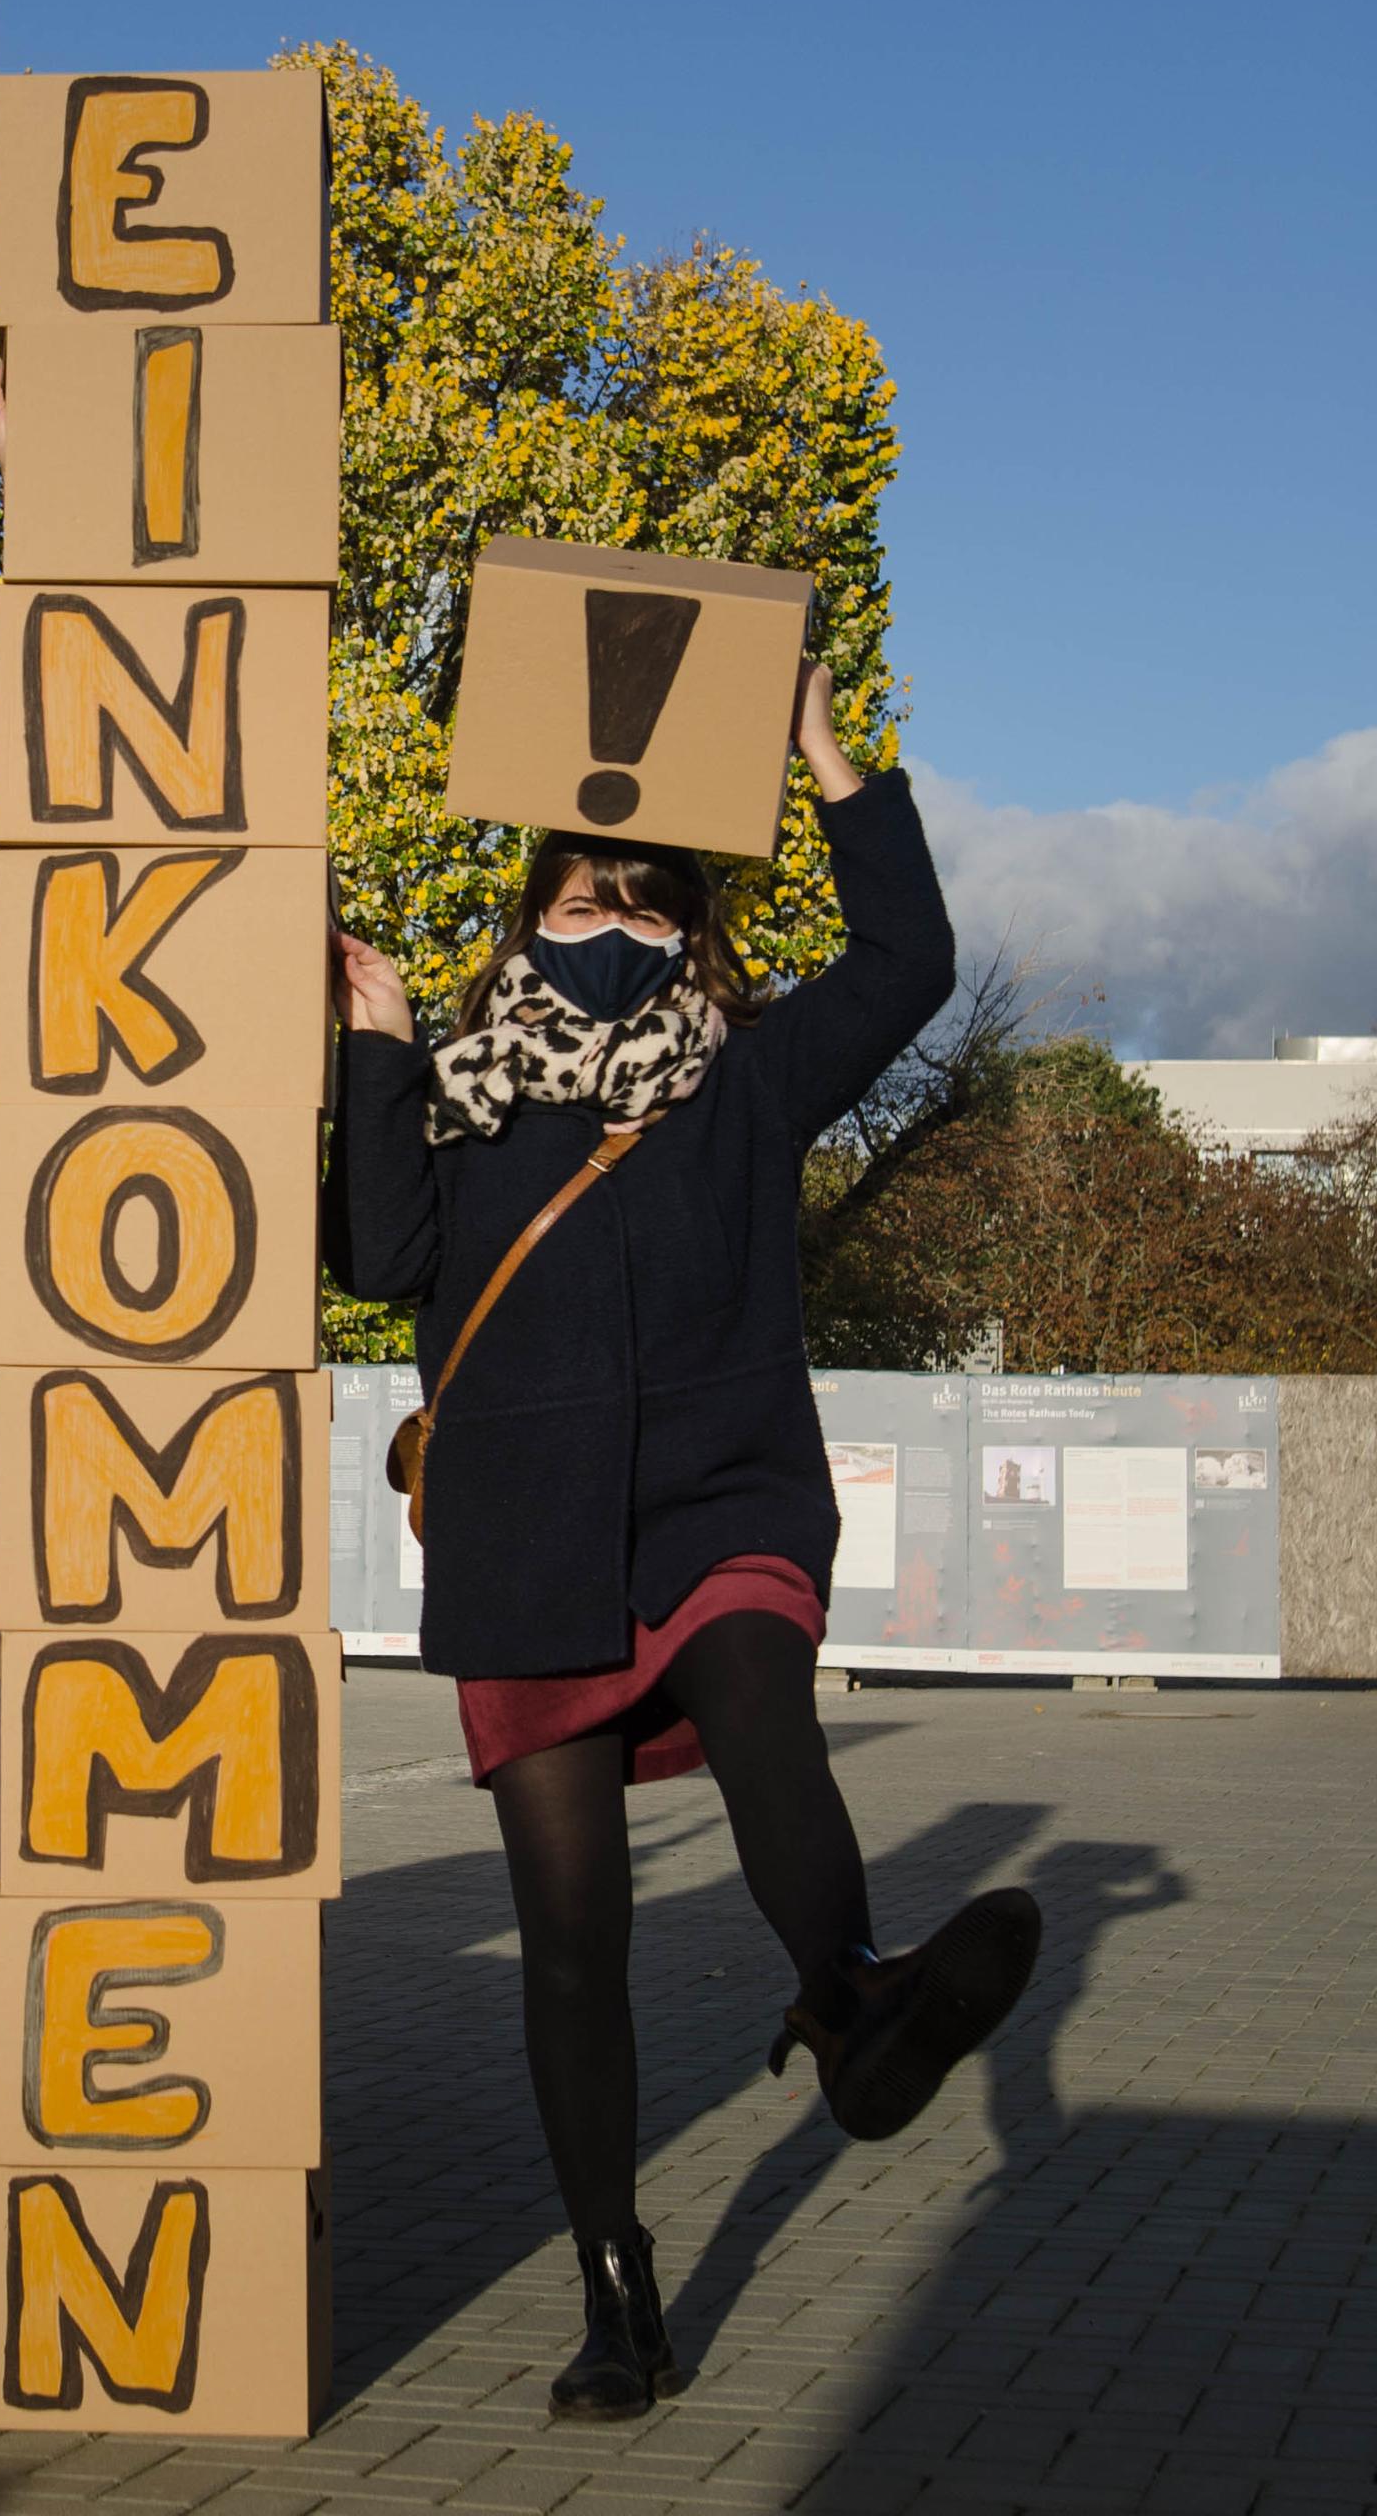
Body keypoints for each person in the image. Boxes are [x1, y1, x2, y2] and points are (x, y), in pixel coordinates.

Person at [323, 667, 1042, 2420]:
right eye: (579, 897)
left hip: (725, 1491)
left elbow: (911, 964)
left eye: (646, 900)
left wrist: (823, 749)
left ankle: (852, 1992)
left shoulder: (746, 1075)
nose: (613, 922)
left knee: (760, 1697)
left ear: (694, 927)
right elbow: (370, 1253)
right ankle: (617, 2286)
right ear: (527, 919)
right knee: (574, 1931)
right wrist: (376, 1037)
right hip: (527, 1540)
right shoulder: (453, 1091)